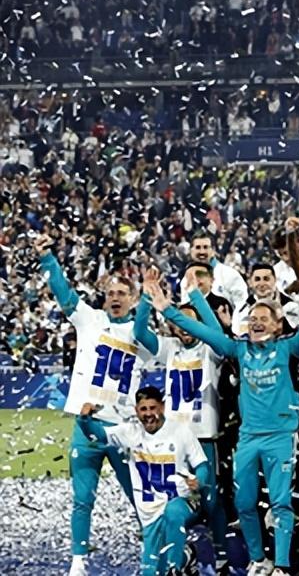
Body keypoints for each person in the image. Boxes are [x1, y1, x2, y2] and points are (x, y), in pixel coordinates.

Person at [144, 273, 299, 576]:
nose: (256, 323)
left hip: (280, 438)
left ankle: (281, 566)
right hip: (248, 438)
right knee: (244, 503)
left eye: (263, 318)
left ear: (277, 325)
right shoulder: (239, 350)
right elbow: (203, 331)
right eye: (252, 318)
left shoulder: (288, 347)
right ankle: (258, 560)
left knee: (280, 503)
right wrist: (166, 309)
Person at [35, 234, 154, 576]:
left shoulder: (142, 334)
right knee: (82, 498)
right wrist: (47, 258)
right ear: (104, 296)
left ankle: (153, 550)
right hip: (87, 426)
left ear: (132, 299)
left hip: (124, 428)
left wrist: (149, 299)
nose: (115, 297)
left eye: (122, 293)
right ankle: (78, 561)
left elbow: (160, 345)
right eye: (111, 293)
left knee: (139, 496)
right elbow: (64, 293)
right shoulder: (89, 319)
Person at [133, 266, 228, 565]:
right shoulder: (170, 348)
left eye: (190, 323)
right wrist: (147, 297)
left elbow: (216, 332)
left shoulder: (211, 351)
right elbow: (139, 333)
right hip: (173, 441)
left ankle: (220, 554)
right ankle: (180, 551)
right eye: (179, 323)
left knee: (209, 500)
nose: (184, 329)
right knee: (173, 499)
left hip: (204, 437)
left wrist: (196, 296)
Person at [77, 387, 210, 575]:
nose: (148, 414)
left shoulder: (180, 431)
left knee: (173, 512)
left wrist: (199, 480)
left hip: (182, 502)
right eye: (143, 409)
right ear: (136, 411)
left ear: (162, 407)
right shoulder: (130, 432)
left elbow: (202, 464)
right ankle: (187, 556)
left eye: (152, 408)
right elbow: (97, 434)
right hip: (149, 513)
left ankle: (176, 569)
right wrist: (84, 419)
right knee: (151, 571)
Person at [182, 231, 249, 312]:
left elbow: (242, 307)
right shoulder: (186, 279)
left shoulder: (229, 274)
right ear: (191, 251)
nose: (202, 252)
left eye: (206, 247)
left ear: (213, 251)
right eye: (198, 247)